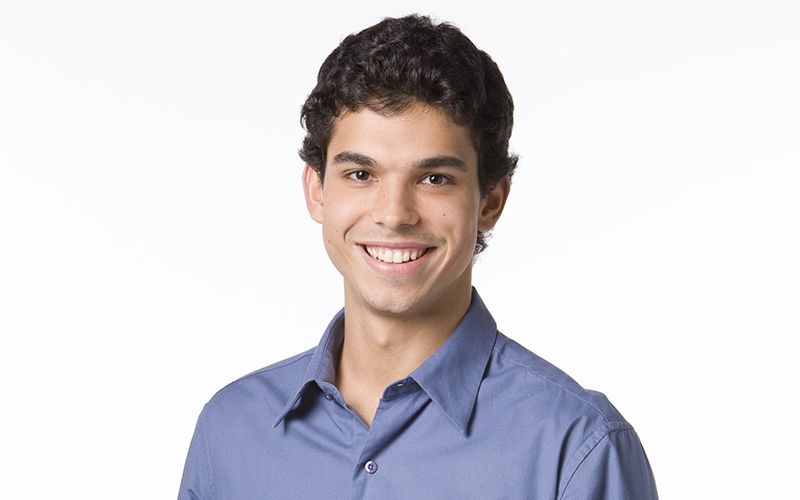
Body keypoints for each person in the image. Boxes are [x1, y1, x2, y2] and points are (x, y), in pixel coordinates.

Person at [178, 14, 658, 499]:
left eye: (434, 179)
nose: (394, 215)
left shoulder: (576, 447)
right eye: (361, 174)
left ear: (490, 201)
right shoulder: (231, 432)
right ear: (317, 191)